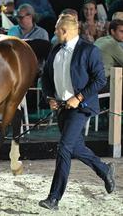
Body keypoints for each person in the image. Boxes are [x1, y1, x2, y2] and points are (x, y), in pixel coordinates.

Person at [39, 14, 116, 210]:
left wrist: (78, 98)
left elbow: (99, 80)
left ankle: (54, 198)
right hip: (62, 108)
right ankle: (104, 169)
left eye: (58, 29)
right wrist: (49, 97)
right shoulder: (55, 50)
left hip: (80, 108)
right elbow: (46, 78)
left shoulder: (89, 51)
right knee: (75, 147)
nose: (55, 32)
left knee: (64, 148)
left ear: (66, 30)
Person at [94, 19, 123, 91]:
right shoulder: (112, 44)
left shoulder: (100, 39)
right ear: (113, 31)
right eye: (121, 31)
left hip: (93, 81)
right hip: (104, 83)